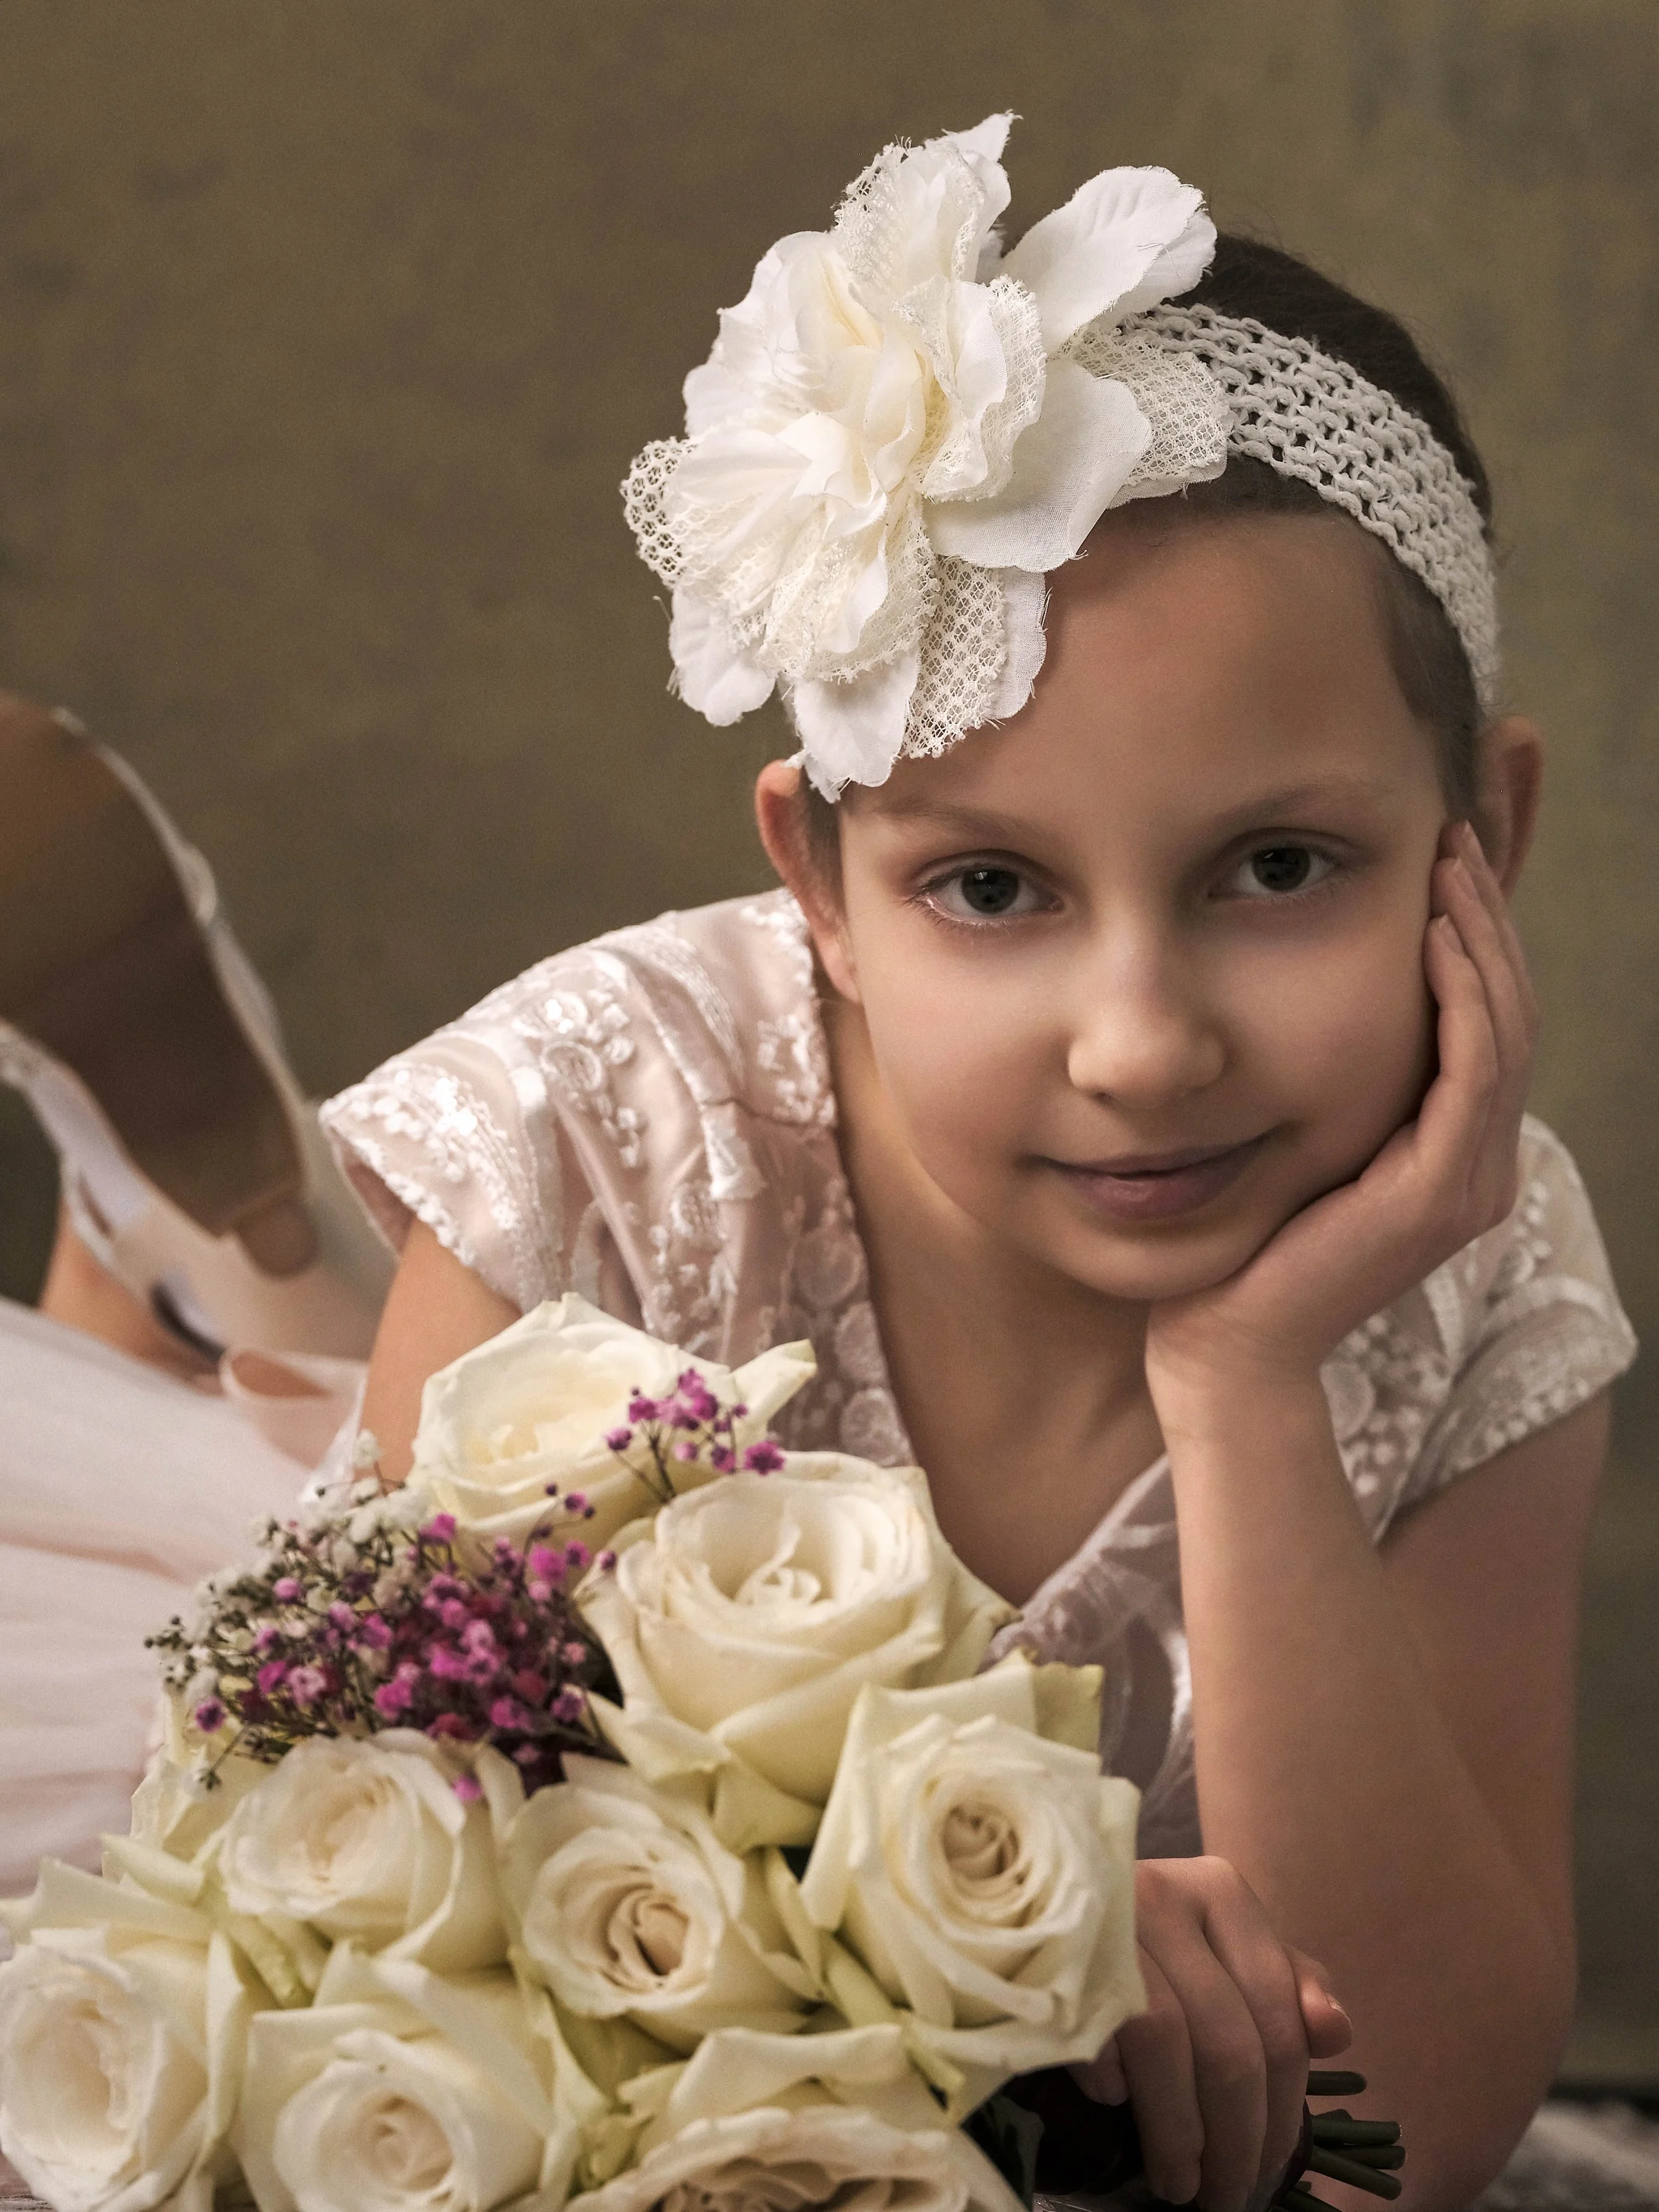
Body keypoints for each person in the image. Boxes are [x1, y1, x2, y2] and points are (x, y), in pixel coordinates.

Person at [0, 119, 1638, 2211]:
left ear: (1476, 843)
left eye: (1278, 866)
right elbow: (392, 1907)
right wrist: (1022, 1967)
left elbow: (1406, 2132)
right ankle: (209, 1243)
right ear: (819, 886)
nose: (1141, 1044)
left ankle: (236, 1258)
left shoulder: (1472, 1259)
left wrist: (1245, 1394)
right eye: (986, 885)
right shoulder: (617, 1129)